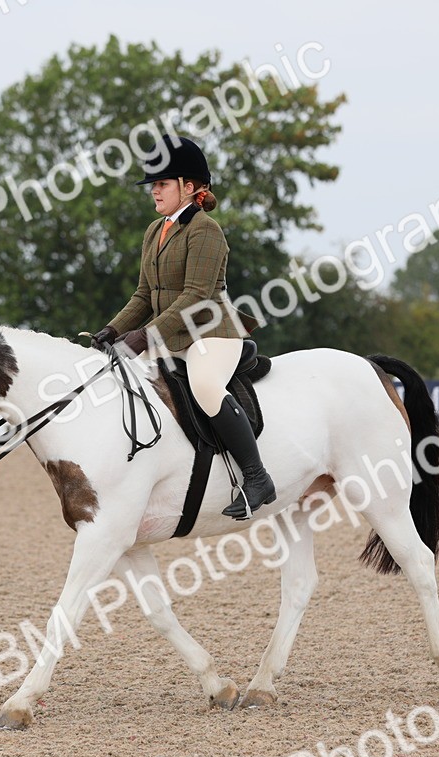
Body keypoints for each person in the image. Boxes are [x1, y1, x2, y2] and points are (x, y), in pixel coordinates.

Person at [92, 135, 276, 520]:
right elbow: (144, 295)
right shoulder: (154, 231)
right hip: (172, 336)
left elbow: (195, 295)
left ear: (189, 188)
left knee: (206, 388)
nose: (154, 191)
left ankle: (258, 477)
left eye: (162, 184)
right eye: (153, 185)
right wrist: (112, 330)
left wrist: (145, 335)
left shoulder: (205, 230)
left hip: (212, 333)